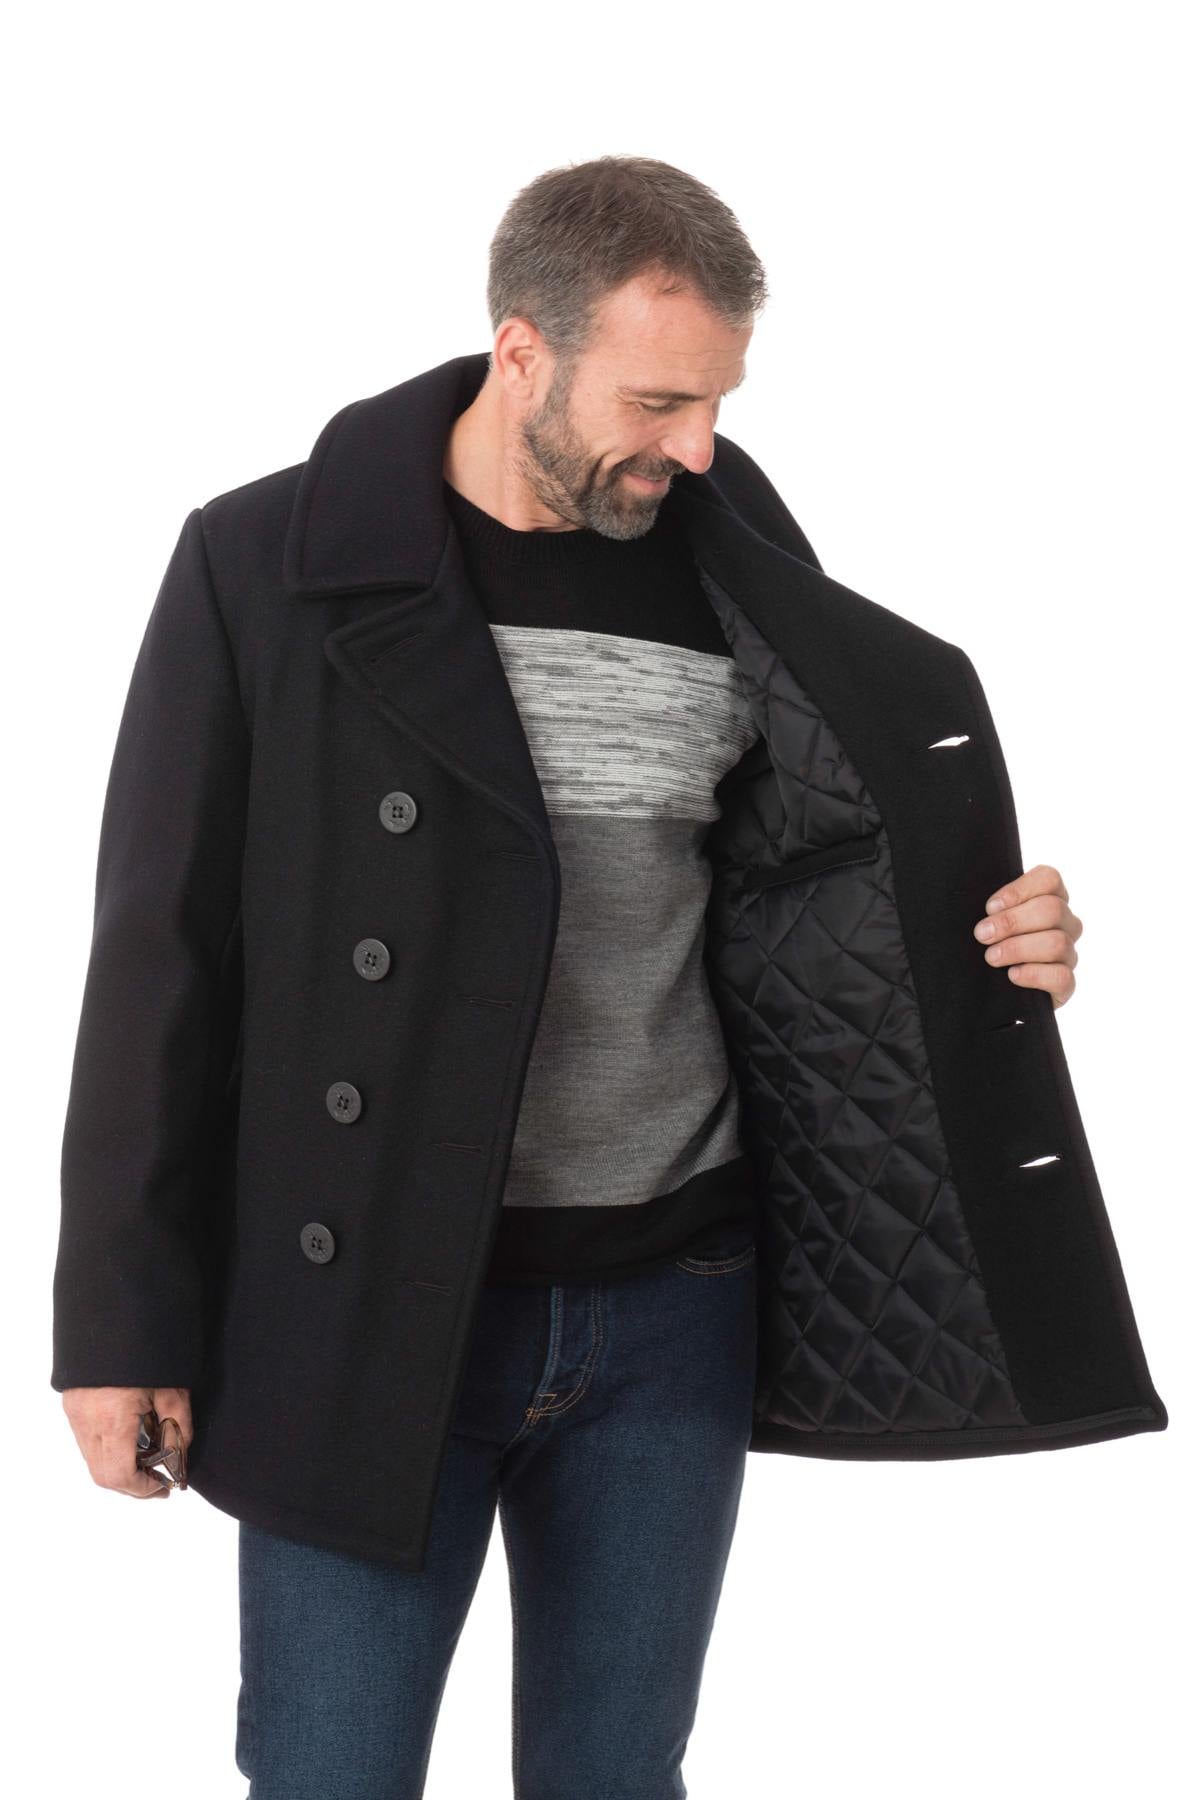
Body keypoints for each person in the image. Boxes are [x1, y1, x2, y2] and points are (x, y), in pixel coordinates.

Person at [54, 155, 1099, 1799]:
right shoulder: (265, 562)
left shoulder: (733, 561)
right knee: (329, 1774)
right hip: (371, 1298)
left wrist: (997, 944)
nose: (697, 447)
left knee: (620, 1778)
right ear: (521, 352)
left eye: (718, 402)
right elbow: (156, 957)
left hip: (675, 1300)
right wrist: (116, 1322)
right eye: (659, 400)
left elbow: (813, 894)